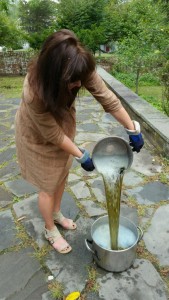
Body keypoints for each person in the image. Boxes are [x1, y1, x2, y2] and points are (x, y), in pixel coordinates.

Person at [15, 29, 144, 254]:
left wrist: (132, 128)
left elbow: (109, 100)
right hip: (37, 136)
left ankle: (56, 213)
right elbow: (52, 135)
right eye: (71, 82)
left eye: (79, 80)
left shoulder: (78, 65)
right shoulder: (34, 91)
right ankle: (50, 229)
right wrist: (80, 154)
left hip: (62, 124)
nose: (77, 85)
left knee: (61, 174)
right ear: (53, 74)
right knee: (47, 185)